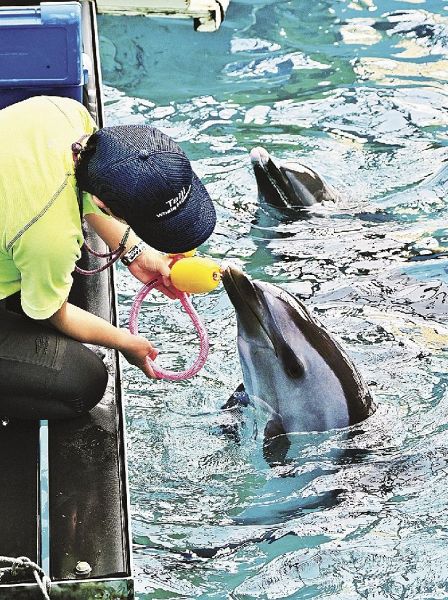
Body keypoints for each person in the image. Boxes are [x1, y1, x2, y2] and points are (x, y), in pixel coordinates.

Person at [0, 95, 216, 419]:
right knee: (83, 382)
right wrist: (127, 343)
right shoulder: (50, 236)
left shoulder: (69, 117)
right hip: (32, 243)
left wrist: (138, 254)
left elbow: (86, 190)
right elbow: (49, 312)